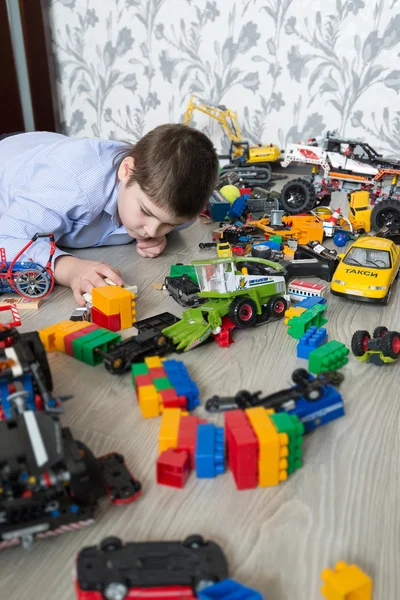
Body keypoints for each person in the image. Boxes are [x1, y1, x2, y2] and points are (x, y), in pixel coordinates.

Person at [0, 124, 219, 305]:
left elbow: (173, 219)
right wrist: (68, 268)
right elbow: (5, 239)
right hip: (11, 155)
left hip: (46, 144)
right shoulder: (72, 186)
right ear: (126, 171)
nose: (151, 230)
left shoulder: (180, 212)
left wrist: (165, 234)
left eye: (167, 224)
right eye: (145, 211)